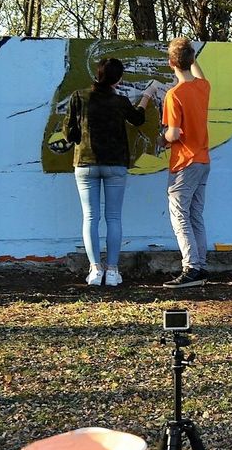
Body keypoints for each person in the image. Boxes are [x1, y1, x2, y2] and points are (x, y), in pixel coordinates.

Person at [66, 58, 156, 287]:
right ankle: (113, 271)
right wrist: (147, 95)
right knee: (113, 217)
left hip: (86, 163)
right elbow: (137, 118)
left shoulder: (79, 97)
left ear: (97, 75)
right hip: (116, 164)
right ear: (119, 79)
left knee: (90, 217)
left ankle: (95, 270)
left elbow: (69, 134)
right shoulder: (120, 101)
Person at [162, 38, 211, 288]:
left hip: (184, 162)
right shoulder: (203, 88)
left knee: (180, 215)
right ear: (192, 60)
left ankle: (191, 267)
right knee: (195, 214)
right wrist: (190, 54)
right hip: (203, 159)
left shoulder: (174, 95)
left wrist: (163, 137)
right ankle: (200, 265)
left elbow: (173, 133)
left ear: (171, 64)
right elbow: (198, 73)